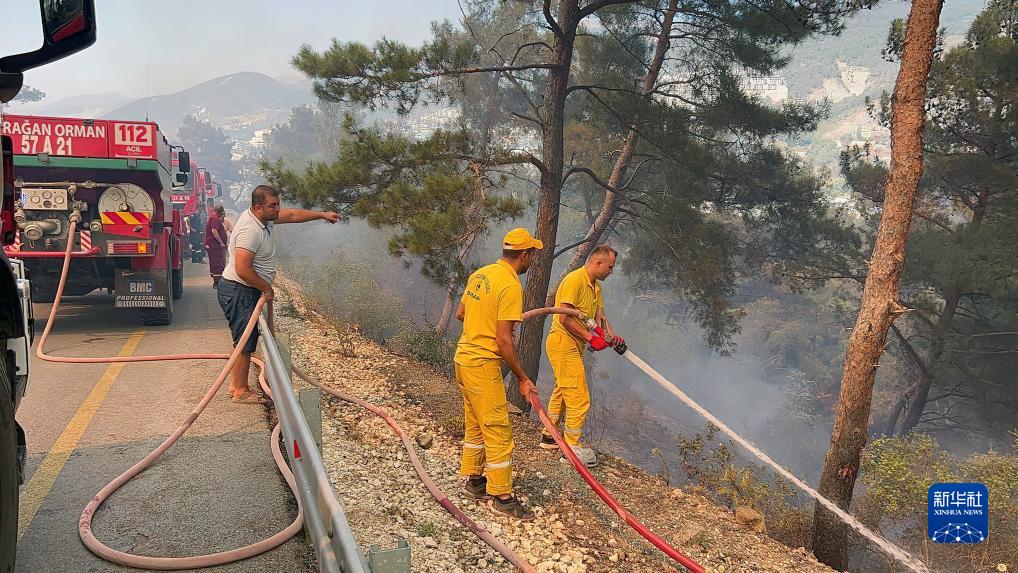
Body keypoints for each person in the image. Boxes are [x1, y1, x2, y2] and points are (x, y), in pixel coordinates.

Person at [218, 185, 340, 403]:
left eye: (278, 205)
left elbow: (292, 215)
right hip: (240, 289)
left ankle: (235, 385)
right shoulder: (250, 230)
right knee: (245, 341)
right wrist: (266, 288)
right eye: (272, 206)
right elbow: (243, 269)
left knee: (242, 337)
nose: (277, 210)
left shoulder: (264, 219)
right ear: (258, 207)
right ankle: (240, 391)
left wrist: (322, 215)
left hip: (244, 289)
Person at [453, 228, 542, 520]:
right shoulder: (510, 285)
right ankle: (502, 497)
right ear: (524, 255)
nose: (532, 260)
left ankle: (475, 480)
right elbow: (504, 340)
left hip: (463, 359)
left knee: (476, 423)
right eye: (532, 254)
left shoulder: (481, 274)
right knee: (498, 429)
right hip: (482, 363)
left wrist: (484, 324)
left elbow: (461, 314)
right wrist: (522, 378)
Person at [540, 245, 624, 467]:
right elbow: (564, 318)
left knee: (562, 390)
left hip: (573, 344)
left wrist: (610, 336)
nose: (611, 271)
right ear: (598, 263)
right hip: (562, 342)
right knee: (579, 397)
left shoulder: (595, 287)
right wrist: (590, 338)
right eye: (610, 267)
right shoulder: (574, 280)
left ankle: (549, 437)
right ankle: (572, 447)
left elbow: (600, 317)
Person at [204, 205, 228, 287]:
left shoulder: (214, 218)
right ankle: (217, 282)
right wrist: (221, 242)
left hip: (214, 244)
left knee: (216, 262)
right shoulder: (215, 219)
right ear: (221, 212)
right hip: (215, 245)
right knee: (217, 262)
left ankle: (217, 280)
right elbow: (214, 231)